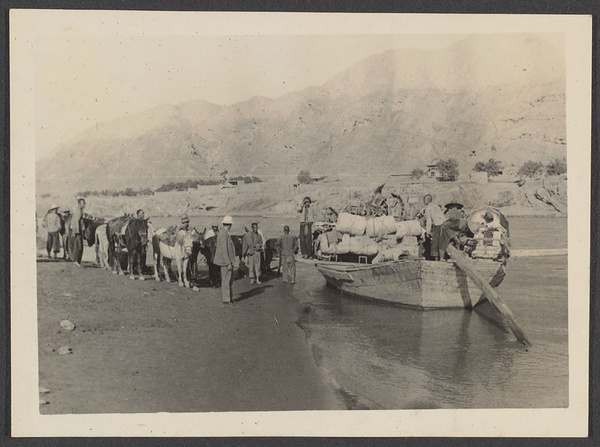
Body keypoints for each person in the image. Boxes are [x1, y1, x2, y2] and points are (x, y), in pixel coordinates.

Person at [214, 215, 236, 304]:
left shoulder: (224, 233)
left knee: (228, 280)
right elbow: (224, 250)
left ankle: (229, 298)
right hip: (225, 262)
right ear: (229, 225)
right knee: (226, 280)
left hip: (226, 262)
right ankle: (226, 299)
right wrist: (228, 263)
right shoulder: (223, 234)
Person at [422, 194, 446, 261]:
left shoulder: (428, 208)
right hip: (444, 224)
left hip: (437, 225)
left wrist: (428, 231)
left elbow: (429, 220)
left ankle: (436, 258)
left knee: (435, 241)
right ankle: (442, 257)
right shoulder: (436, 206)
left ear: (427, 200)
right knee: (442, 241)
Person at [69, 198, 86, 266]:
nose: (84, 205)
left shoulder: (80, 210)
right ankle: (76, 260)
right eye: (83, 203)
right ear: (79, 204)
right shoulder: (78, 211)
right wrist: (76, 231)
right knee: (78, 245)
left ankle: (77, 260)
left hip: (78, 230)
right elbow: (76, 221)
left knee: (79, 245)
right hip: (77, 230)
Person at [205, 222, 221, 287]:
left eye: (216, 227)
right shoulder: (209, 233)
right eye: (214, 227)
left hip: (217, 253)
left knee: (217, 268)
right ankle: (212, 280)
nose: (215, 228)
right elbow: (206, 243)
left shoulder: (219, 232)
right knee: (211, 267)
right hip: (210, 253)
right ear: (212, 227)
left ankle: (218, 281)